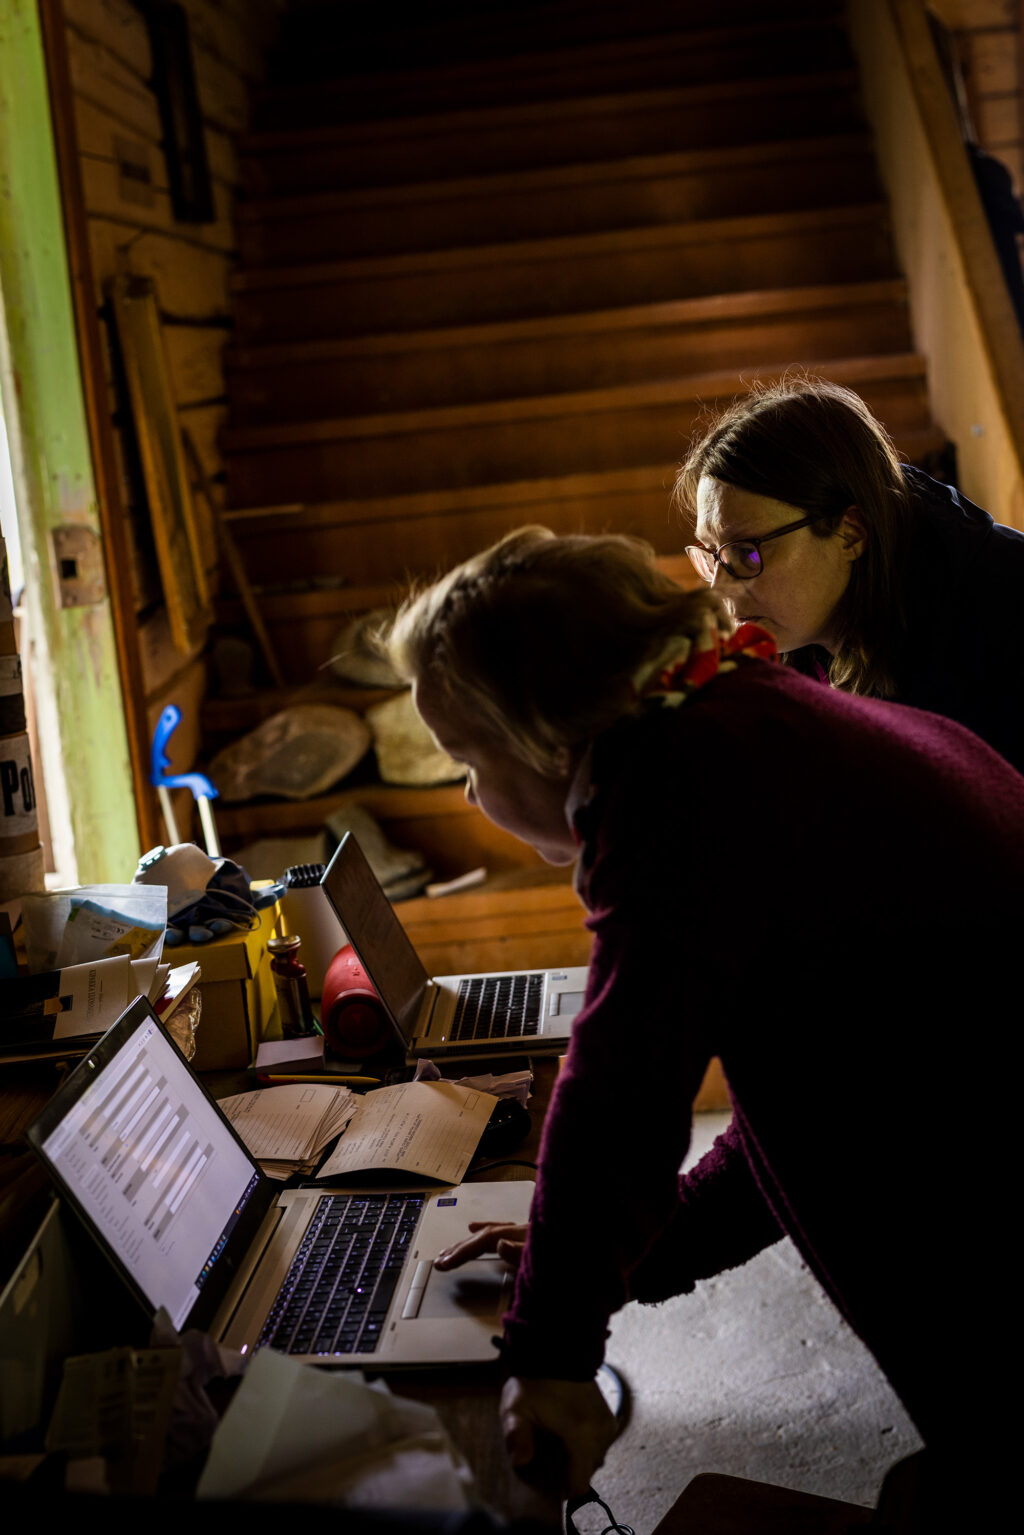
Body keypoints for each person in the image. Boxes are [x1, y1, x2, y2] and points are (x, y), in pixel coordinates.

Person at [384, 525, 1024, 1509]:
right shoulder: (739, 717)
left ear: (540, 733)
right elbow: (805, 1104)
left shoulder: (680, 783)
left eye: (465, 757)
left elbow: (620, 1087)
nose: (470, 791)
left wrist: (551, 1353)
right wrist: (635, 1252)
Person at [674, 377, 1024, 773]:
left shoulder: (1002, 616)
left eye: (745, 551)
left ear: (851, 532)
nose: (719, 586)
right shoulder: (797, 640)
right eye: (711, 554)